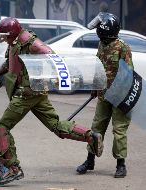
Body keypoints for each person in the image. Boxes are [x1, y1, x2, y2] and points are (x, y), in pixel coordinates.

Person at [0, 17, 104, 185]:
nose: (3, 39)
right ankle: (91, 136)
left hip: (26, 94)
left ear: (12, 33)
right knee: (55, 125)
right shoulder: (15, 42)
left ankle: (13, 169)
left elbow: (51, 55)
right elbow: (10, 61)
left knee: (3, 127)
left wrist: (50, 77)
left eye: (5, 35)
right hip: (35, 92)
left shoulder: (30, 42)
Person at [76, 12, 133, 178]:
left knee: (119, 131)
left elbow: (128, 72)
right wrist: (95, 87)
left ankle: (121, 164)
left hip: (119, 97)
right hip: (103, 96)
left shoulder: (123, 47)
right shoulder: (102, 44)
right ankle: (90, 160)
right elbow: (98, 66)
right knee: (96, 128)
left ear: (105, 29)